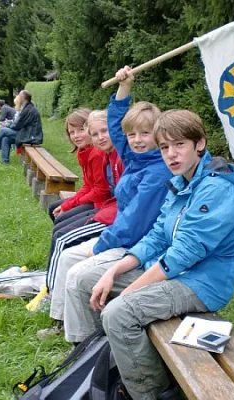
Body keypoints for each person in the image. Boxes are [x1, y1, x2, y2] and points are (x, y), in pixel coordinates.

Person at [63, 109, 234, 400]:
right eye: (164, 147)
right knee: (90, 277)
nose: (171, 154)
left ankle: (149, 392)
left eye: (179, 145)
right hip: (173, 272)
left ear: (199, 143)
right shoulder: (180, 182)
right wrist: (113, 272)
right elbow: (156, 236)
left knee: (118, 312)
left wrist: (130, 291)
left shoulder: (216, 190)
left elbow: (182, 255)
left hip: (201, 283)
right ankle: (98, 360)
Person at [43, 66, 172, 333]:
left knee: (76, 266)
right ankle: (62, 321)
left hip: (135, 244)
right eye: (132, 135)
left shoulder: (157, 171)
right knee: (68, 257)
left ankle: (83, 340)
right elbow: (116, 125)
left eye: (145, 134)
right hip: (122, 235)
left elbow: (135, 220)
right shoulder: (135, 156)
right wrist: (124, 87)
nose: (136, 140)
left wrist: (102, 243)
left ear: (158, 136)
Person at [45, 109, 124, 292]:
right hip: (105, 205)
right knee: (57, 215)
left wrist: (70, 204)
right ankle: (57, 273)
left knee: (61, 233)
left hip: (103, 205)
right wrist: (68, 203)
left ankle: (51, 287)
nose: (76, 136)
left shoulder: (98, 153)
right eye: (71, 132)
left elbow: (101, 190)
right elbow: (88, 185)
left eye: (80, 130)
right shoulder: (86, 152)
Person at [0, 90, 43, 164]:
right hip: (27, 134)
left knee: (3, 130)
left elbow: (17, 125)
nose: (17, 97)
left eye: (19, 96)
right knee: (5, 138)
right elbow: (18, 124)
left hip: (31, 137)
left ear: (23, 98)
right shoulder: (28, 107)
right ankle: (5, 161)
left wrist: (9, 126)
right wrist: (11, 125)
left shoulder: (28, 109)